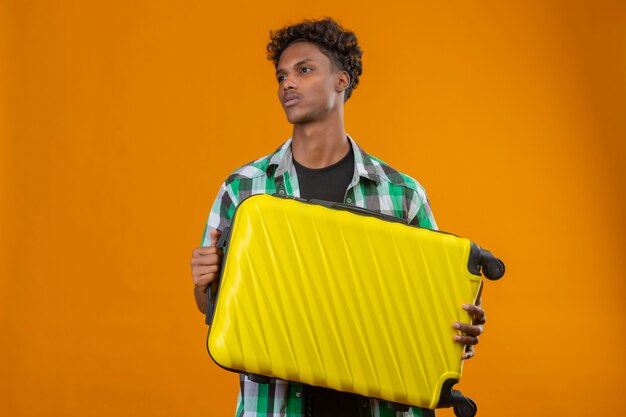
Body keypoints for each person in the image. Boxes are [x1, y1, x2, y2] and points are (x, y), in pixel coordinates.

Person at [191, 17, 486, 417]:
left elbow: (437, 308)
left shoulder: (402, 194)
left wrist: (462, 328)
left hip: (382, 405)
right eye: (281, 76)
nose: (287, 84)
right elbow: (214, 309)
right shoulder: (244, 188)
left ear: (341, 81)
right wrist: (205, 282)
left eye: (304, 70)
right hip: (278, 405)